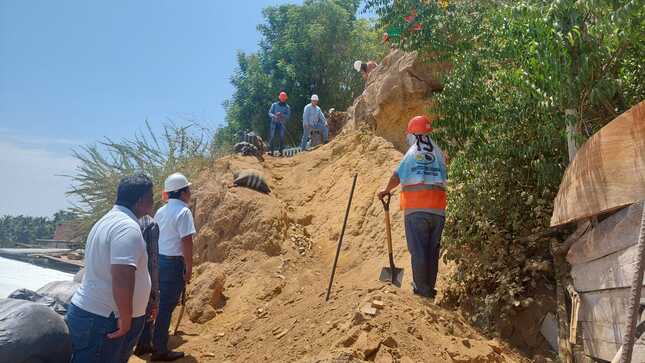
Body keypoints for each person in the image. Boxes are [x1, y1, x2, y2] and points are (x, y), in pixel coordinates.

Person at [65, 175, 154, 363]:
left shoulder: (107, 221)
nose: (153, 202)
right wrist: (125, 317)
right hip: (105, 320)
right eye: (151, 197)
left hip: (97, 316)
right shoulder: (127, 227)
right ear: (140, 201)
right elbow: (122, 275)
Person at [378, 115, 448, 300]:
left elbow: (397, 176)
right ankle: (429, 291)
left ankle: (420, 290)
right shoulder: (438, 152)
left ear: (413, 134)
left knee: (418, 250)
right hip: (439, 210)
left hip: (417, 209)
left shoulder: (412, 152)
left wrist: (386, 190)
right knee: (432, 252)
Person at [151, 172, 196, 361]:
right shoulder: (184, 212)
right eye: (189, 189)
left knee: (154, 302)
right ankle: (160, 350)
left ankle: (145, 342)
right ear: (183, 192)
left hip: (158, 261)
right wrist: (189, 267)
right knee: (166, 307)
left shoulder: (161, 211)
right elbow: (187, 242)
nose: (190, 192)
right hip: (172, 264)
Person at [133, 215, 160, 357]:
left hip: (126, 276)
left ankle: (141, 343)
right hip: (144, 275)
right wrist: (154, 291)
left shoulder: (118, 220)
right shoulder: (150, 224)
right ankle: (142, 344)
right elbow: (153, 260)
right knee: (148, 309)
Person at [267, 91, 291, 156]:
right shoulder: (274, 105)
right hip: (274, 123)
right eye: (281, 97)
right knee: (272, 136)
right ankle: (271, 151)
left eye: (284, 97)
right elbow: (269, 113)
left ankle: (281, 152)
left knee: (282, 137)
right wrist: (275, 116)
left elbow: (288, 116)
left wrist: (282, 115)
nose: (283, 98)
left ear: (286, 98)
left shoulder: (287, 107)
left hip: (282, 124)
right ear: (279, 97)